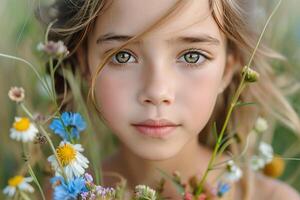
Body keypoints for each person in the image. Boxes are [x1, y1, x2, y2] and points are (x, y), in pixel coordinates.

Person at [41, 0, 300, 199]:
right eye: (122, 56)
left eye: (192, 56)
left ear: (228, 69)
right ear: (84, 64)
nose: (157, 91)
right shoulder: (55, 193)